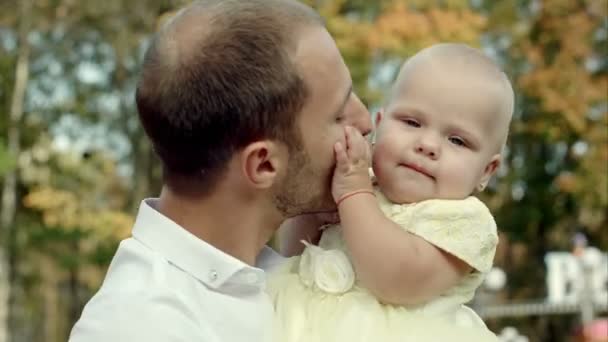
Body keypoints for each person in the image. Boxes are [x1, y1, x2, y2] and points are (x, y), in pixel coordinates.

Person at [68, 0, 372, 341]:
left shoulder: (283, 270)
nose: (365, 122)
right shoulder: (140, 326)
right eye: (339, 115)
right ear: (264, 164)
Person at [268, 43, 515, 342]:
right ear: (379, 125)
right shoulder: (355, 182)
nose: (427, 145)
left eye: (457, 141)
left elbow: (397, 281)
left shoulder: (465, 222)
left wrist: (353, 194)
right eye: (412, 122)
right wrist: (313, 215)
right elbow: (294, 255)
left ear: (486, 171)